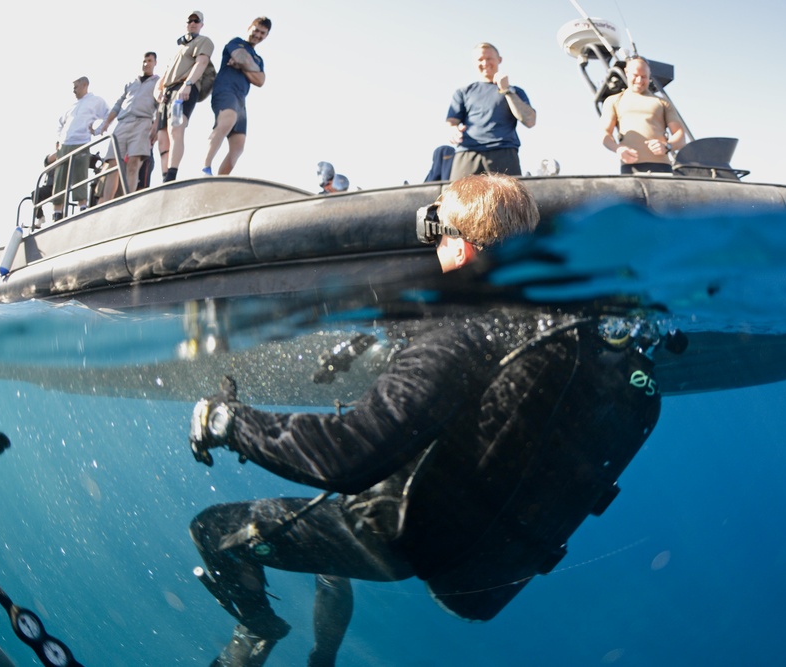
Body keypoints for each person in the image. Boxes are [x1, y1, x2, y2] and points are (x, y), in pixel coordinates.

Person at [187, 174, 664, 667]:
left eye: (438, 235)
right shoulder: (566, 334)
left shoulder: (467, 328)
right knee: (328, 553)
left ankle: (260, 628)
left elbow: (348, 455)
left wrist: (228, 422)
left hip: (394, 531)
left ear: (460, 245)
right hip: (474, 547)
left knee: (210, 530)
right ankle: (322, 656)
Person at [445, 43, 536, 181]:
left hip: (503, 152)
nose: (485, 63)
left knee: (510, 200)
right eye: (480, 59)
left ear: (499, 59)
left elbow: (530, 121)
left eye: (489, 58)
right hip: (467, 152)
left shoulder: (516, 91)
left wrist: (506, 90)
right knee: (456, 199)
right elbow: (452, 122)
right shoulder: (463, 92)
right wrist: (453, 130)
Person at [202, 17, 270, 176]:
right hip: (225, 90)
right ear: (249, 27)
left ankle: (220, 180)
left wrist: (242, 66)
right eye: (256, 30)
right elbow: (241, 57)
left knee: (238, 145)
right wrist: (247, 66)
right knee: (227, 120)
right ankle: (205, 167)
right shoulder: (236, 42)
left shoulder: (258, 59)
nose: (258, 35)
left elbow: (261, 80)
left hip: (241, 99)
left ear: (266, 36)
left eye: (262, 33)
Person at [154, 10, 214, 182]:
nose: (193, 23)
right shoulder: (178, 49)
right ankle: (164, 176)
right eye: (190, 21)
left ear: (201, 24)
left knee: (176, 128)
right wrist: (158, 92)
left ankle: (171, 175)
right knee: (162, 137)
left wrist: (188, 84)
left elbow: (201, 63)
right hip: (167, 92)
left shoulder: (204, 41)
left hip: (184, 88)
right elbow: (164, 76)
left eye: (196, 21)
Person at [600, 56, 686, 174]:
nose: (639, 81)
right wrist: (618, 149)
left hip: (662, 168)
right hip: (631, 168)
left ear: (649, 75)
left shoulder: (663, 103)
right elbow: (605, 134)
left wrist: (667, 146)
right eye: (635, 75)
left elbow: (680, 136)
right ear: (627, 72)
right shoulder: (614, 101)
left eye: (644, 77)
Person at [97, 52, 160, 204]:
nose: (146, 64)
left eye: (149, 61)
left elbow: (161, 105)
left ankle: (127, 201)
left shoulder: (158, 82)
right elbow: (118, 104)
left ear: (155, 63)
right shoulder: (131, 82)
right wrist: (106, 123)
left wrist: (156, 127)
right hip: (123, 123)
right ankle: (106, 203)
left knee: (133, 162)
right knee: (113, 164)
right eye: (144, 61)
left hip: (143, 122)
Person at [51, 77, 108, 221]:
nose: (73, 90)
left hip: (81, 142)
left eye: (76, 87)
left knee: (80, 176)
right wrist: (58, 140)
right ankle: (57, 212)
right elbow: (60, 123)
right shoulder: (71, 105)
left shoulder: (96, 101)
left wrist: (97, 130)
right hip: (65, 143)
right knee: (60, 178)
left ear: (84, 85)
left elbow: (109, 115)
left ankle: (81, 208)